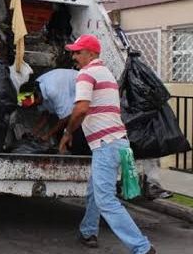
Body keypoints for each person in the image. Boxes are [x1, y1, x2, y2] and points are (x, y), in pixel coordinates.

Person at [61, 34, 155, 254]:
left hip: (105, 144)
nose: (74, 56)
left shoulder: (86, 74)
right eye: (73, 52)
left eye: (78, 52)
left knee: (105, 200)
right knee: (96, 191)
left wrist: (68, 132)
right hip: (118, 142)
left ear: (92, 53)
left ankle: (142, 247)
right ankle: (88, 231)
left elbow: (81, 109)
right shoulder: (108, 74)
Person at [27, 68, 91, 155]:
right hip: (72, 102)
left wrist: (48, 135)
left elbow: (66, 117)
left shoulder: (52, 90)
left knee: (76, 139)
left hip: (88, 97)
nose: (36, 106)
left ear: (37, 96)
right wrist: (34, 132)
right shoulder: (37, 87)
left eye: (35, 103)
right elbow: (45, 114)